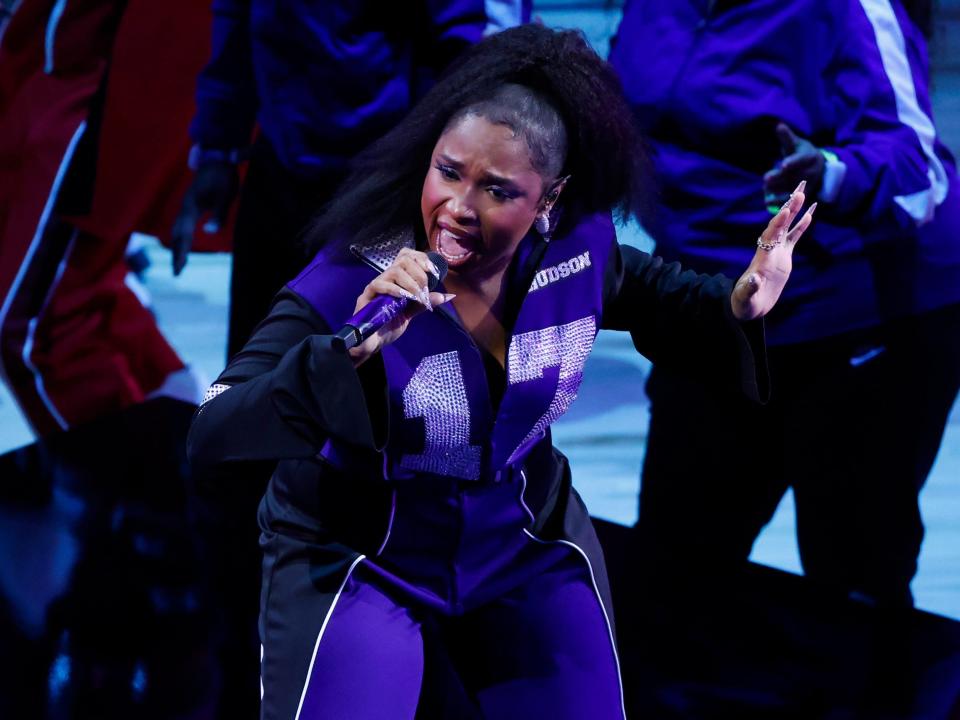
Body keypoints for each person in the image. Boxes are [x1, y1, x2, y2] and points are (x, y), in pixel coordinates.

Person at [187, 24, 814, 719]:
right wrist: (341, 356)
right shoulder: (351, 275)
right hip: (360, 554)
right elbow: (217, 419)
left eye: (495, 189)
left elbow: (646, 288)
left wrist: (737, 301)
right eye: (448, 171)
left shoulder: (578, 249)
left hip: (522, 539)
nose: (457, 206)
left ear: (549, 199)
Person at [609, 0, 960, 609]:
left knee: (854, 572)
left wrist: (830, 172)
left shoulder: (849, 9)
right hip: (711, 307)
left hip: (857, 316)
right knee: (672, 561)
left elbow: (918, 169)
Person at [172, 0, 531, 360]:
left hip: (380, 181)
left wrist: (431, 170)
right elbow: (237, 22)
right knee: (257, 366)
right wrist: (217, 150)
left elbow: (458, 42)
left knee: (372, 371)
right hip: (279, 169)